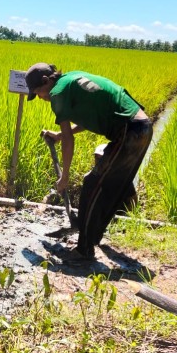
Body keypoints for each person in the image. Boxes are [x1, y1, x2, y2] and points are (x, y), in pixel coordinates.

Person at [25, 63, 153, 259]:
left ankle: (84, 249)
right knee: (111, 185)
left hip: (129, 130)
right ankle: (92, 236)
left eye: (38, 93)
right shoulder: (70, 80)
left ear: (46, 81)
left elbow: (69, 140)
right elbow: (89, 115)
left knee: (92, 183)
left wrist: (64, 176)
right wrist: (59, 134)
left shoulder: (57, 93)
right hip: (141, 127)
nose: (40, 98)